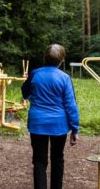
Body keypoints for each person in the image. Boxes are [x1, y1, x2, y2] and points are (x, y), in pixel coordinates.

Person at [21, 44, 79, 189]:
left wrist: (33, 97)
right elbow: (71, 105)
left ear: (44, 58)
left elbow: (25, 92)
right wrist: (75, 129)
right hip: (59, 125)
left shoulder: (34, 74)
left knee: (39, 161)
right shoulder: (65, 78)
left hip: (37, 123)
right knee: (58, 159)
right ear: (62, 60)